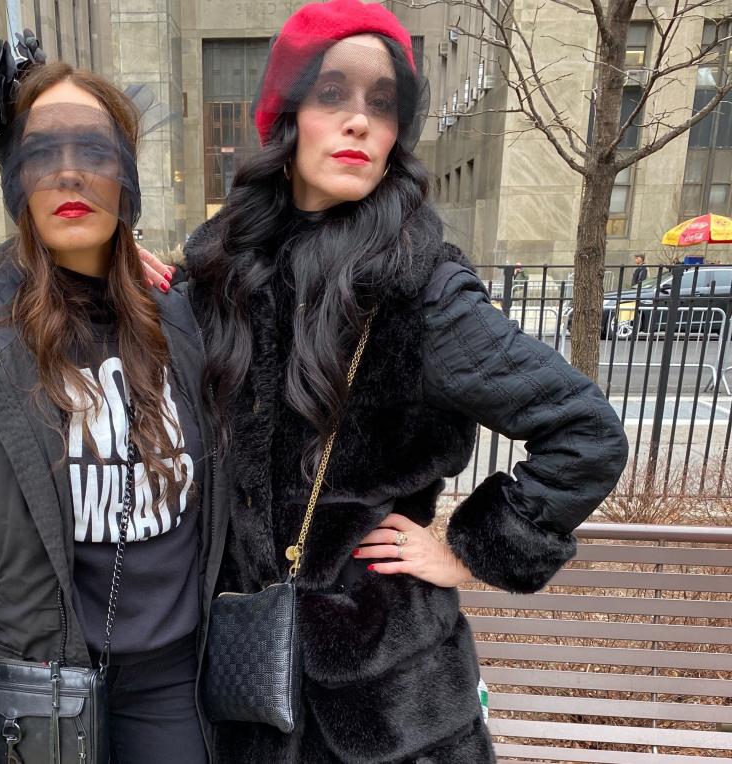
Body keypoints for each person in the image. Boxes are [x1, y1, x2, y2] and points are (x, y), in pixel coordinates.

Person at [181, 1, 629, 761]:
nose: (359, 122)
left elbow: (585, 433)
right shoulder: (223, 273)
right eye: (333, 95)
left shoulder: (421, 287)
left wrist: (468, 549)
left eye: (382, 105)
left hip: (393, 706)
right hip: (248, 686)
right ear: (286, 116)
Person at [0, 40, 224, 764]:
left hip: (176, 692)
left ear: (127, 180)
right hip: (39, 702)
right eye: (42, 154)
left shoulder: (184, 324)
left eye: (95, 152)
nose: (69, 172)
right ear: (16, 182)